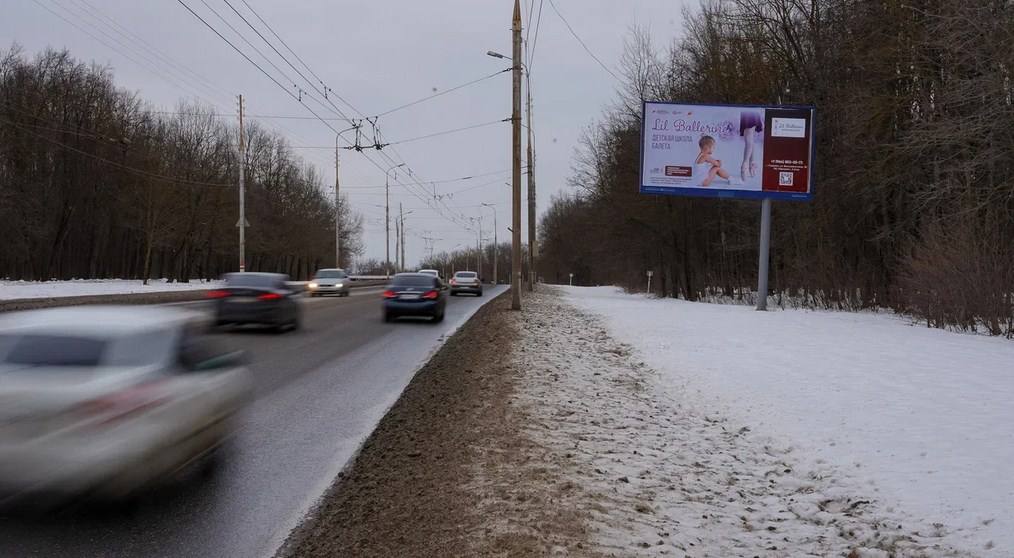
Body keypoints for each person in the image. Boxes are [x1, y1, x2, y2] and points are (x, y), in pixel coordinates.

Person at [739, 110, 764, 181]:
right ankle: (748, 163)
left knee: (749, 136)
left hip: (750, 112)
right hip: (750, 112)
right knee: (750, 136)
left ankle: (747, 164)